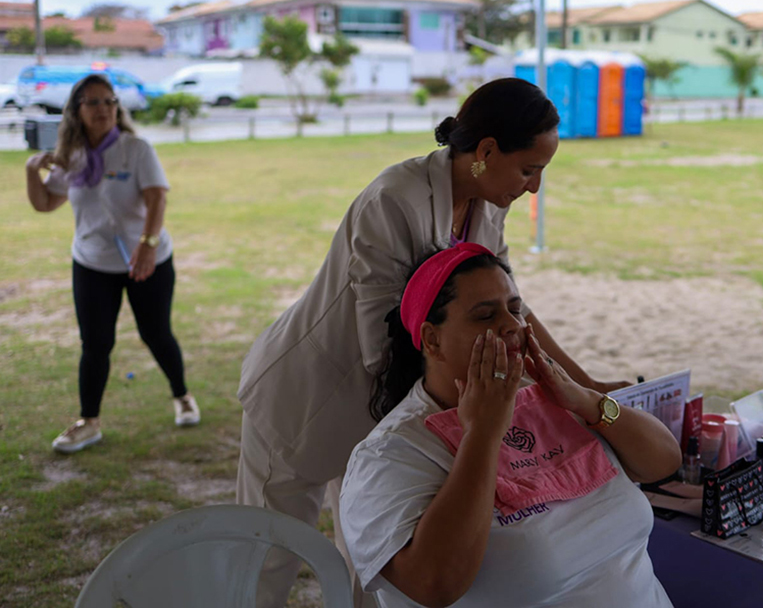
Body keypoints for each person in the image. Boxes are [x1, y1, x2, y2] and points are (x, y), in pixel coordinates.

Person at [237, 78, 619, 607]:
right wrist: (456, 416)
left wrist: (582, 384)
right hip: (310, 397)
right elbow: (383, 338)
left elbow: (511, 308)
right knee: (265, 562)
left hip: (388, 407)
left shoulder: (487, 201)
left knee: (375, 574)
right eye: (529, 169)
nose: (533, 188)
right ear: (485, 152)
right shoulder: (397, 199)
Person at [340, 243, 682, 607]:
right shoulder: (389, 454)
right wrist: (483, 434)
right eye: (485, 316)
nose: (511, 326)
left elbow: (664, 461)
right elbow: (434, 584)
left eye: (515, 310)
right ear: (432, 339)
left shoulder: (549, 398)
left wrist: (586, 399)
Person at [25, 73, 198, 454]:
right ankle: (89, 422)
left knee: (156, 333)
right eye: (93, 102)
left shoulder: (136, 149)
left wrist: (148, 245)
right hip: (92, 263)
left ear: (117, 107)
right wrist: (30, 171)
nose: (103, 109)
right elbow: (45, 203)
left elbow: (157, 199)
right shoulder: (70, 156)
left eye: (109, 101)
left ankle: (182, 395)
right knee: (96, 343)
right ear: (76, 110)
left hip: (147, 259)